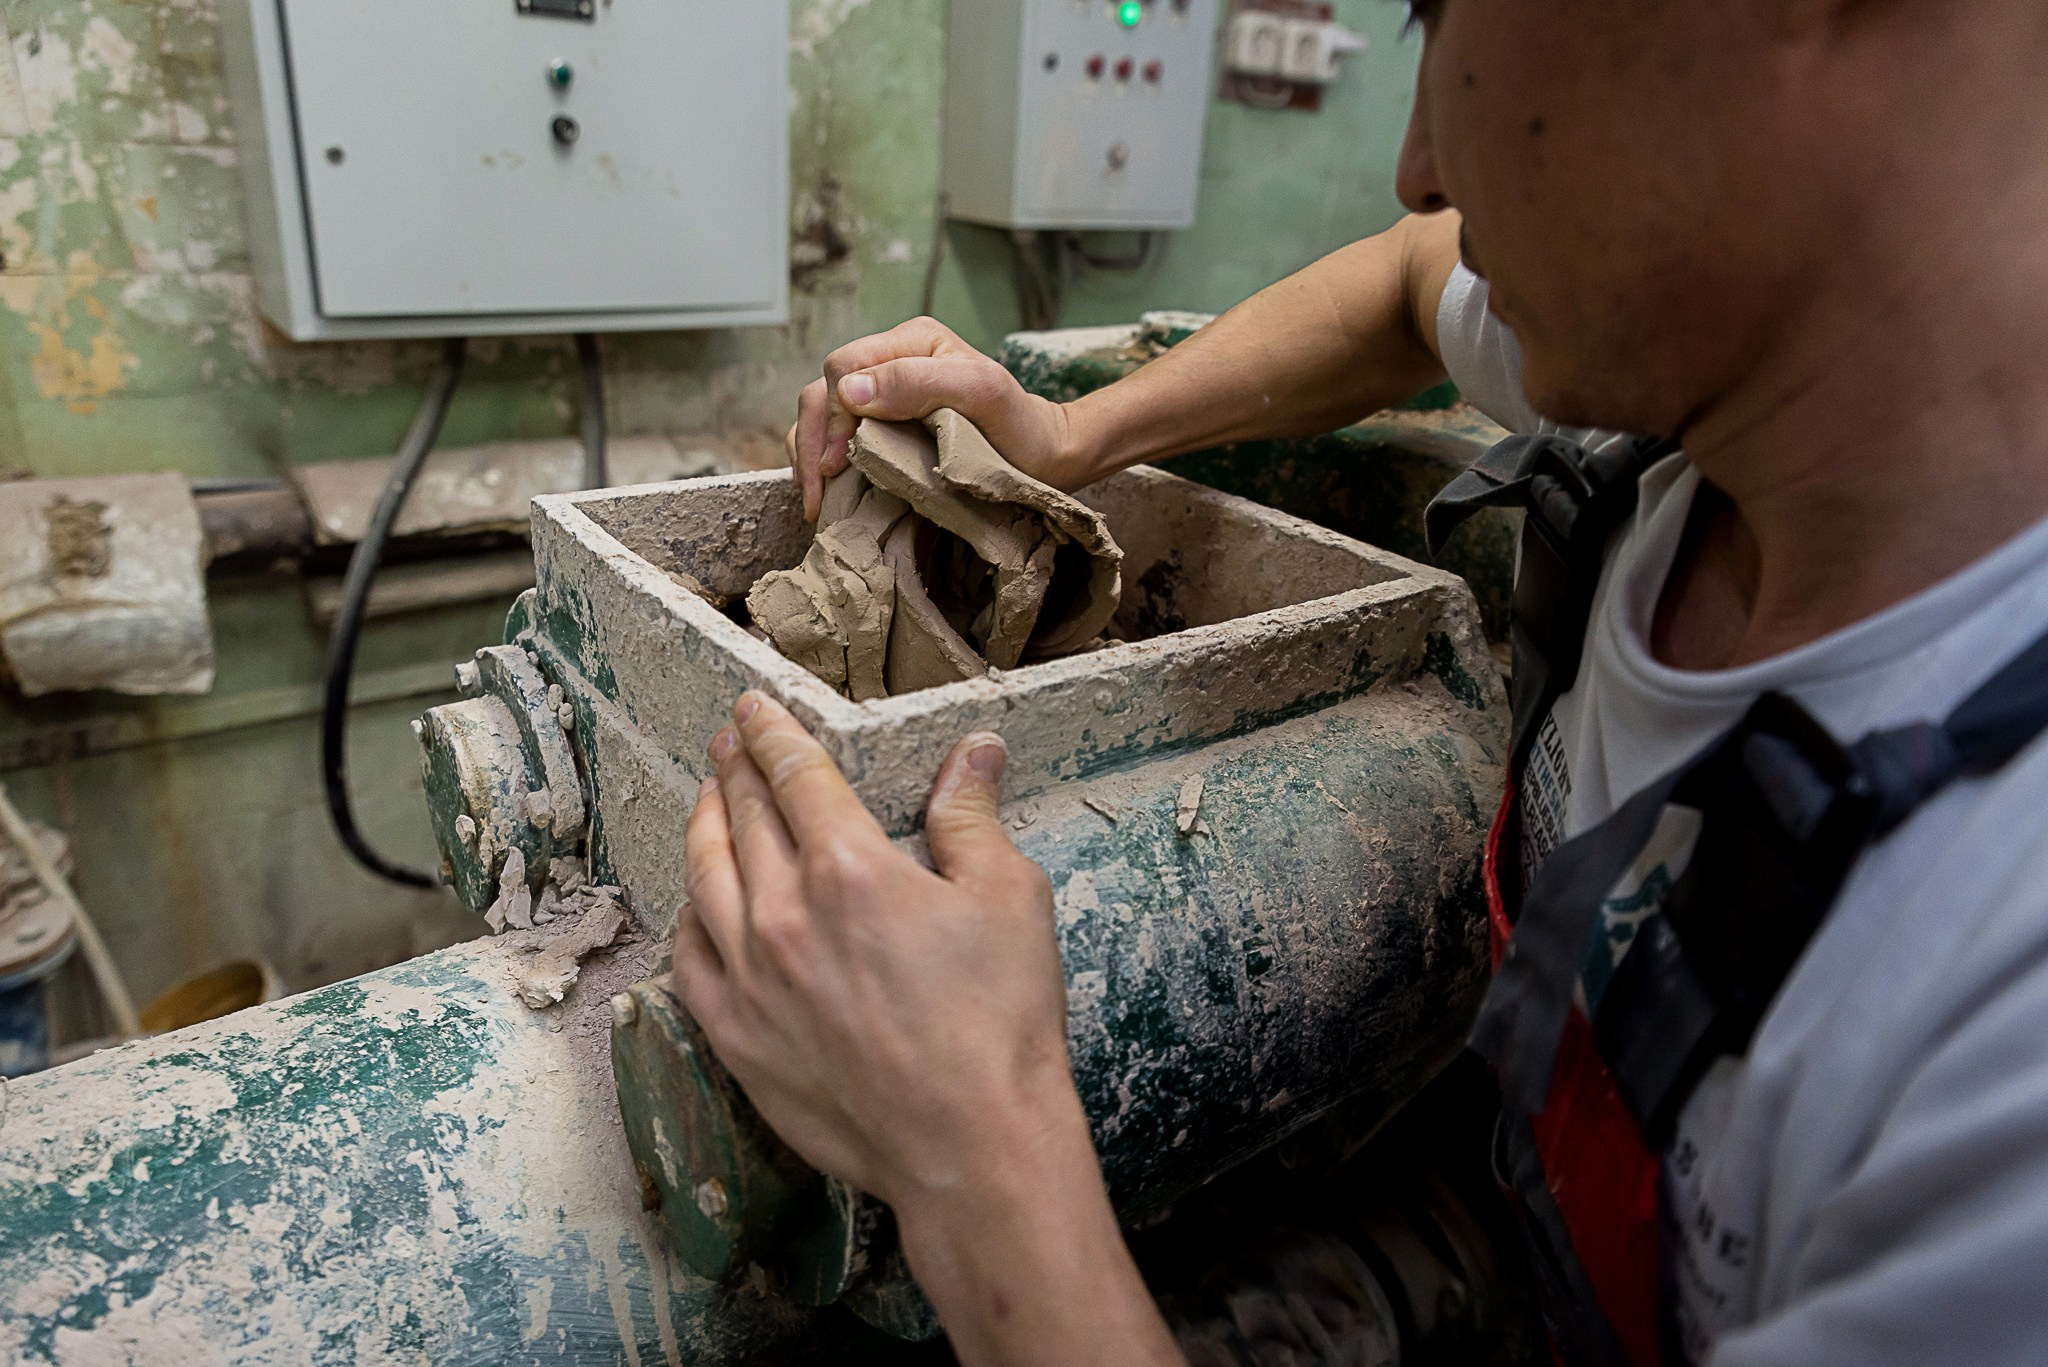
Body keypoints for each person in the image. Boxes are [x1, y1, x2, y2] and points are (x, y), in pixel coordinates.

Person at [671, 0, 2048, 1361]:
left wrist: (976, 1147)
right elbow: (1404, 282)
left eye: (1445, 15)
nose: (1416, 165)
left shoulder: (2000, 1033)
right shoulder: (1732, 356)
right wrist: (1071, 437)